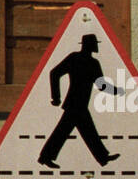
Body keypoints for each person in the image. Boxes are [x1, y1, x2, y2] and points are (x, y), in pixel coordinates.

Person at [39, 33, 121, 168]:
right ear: (89, 45)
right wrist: (56, 97)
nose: (96, 46)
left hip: (79, 104)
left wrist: (117, 91)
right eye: (94, 43)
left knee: (82, 131)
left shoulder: (93, 63)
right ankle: (45, 158)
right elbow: (55, 73)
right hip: (74, 104)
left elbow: (101, 85)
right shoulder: (76, 58)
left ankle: (103, 158)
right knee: (69, 132)